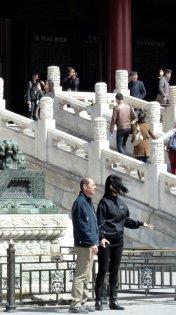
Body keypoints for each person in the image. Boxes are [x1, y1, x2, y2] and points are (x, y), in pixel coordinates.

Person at [94, 175, 154, 311]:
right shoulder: (103, 203)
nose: (119, 188)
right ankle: (98, 300)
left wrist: (141, 224)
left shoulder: (121, 203)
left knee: (114, 270)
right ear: (110, 186)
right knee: (103, 270)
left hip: (118, 241)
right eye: (117, 185)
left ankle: (113, 301)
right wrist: (101, 237)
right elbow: (100, 223)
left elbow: (125, 221)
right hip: (106, 241)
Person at [69, 178, 98, 314]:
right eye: (92, 185)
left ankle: (82, 302)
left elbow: (92, 225)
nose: (95, 187)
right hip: (84, 245)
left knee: (87, 276)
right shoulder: (80, 203)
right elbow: (82, 226)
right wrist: (91, 242)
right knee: (81, 275)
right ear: (84, 186)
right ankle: (75, 304)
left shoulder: (88, 202)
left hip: (90, 244)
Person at [131, 111, 157, 179]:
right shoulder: (147, 125)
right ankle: (143, 173)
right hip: (145, 145)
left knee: (138, 162)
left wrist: (132, 141)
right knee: (144, 162)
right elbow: (151, 134)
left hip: (138, 145)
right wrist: (156, 139)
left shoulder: (135, 125)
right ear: (144, 118)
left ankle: (140, 174)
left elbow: (134, 134)